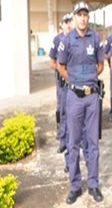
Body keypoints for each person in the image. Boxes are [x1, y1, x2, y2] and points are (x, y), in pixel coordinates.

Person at [57, 1, 104, 204]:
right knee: (73, 143)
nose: (83, 18)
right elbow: (60, 65)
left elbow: (101, 65)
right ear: (74, 17)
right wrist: (75, 82)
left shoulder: (96, 38)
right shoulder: (67, 40)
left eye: (85, 14)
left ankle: (93, 184)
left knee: (93, 144)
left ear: (88, 17)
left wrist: (89, 80)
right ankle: (75, 186)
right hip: (74, 97)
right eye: (79, 14)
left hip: (92, 97)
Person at [49, 13, 72, 148]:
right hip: (62, 81)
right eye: (66, 21)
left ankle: (75, 139)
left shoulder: (75, 38)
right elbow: (52, 62)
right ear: (62, 24)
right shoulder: (57, 40)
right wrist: (61, 69)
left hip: (74, 81)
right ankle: (62, 139)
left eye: (70, 21)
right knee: (62, 109)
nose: (68, 24)